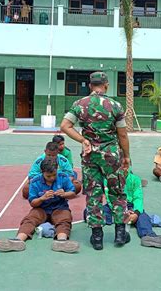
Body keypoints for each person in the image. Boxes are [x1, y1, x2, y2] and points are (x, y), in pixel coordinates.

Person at [60, 71, 131, 250]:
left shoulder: (80, 104)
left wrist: (83, 140)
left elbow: (65, 126)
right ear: (106, 85)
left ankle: (97, 237)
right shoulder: (115, 105)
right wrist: (127, 156)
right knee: (117, 192)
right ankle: (120, 234)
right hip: (111, 156)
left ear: (90, 86)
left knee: (93, 194)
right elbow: (122, 134)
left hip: (90, 155)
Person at [0, 157, 79, 253]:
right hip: (41, 208)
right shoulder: (35, 181)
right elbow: (33, 203)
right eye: (48, 176)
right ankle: (18, 240)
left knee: (64, 219)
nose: (52, 178)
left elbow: (72, 193)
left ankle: (61, 241)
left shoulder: (63, 177)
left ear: (57, 170)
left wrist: (65, 194)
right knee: (30, 219)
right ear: (42, 172)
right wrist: (42, 198)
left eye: (54, 175)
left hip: (59, 207)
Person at [98, 167, 161, 248]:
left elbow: (138, 198)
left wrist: (136, 213)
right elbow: (109, 197)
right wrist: (121, 212)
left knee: (142, 216)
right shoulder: (108, 179)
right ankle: (117, 219)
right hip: (113, 205)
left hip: (131, 206)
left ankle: (149, 235)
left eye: (126, 165)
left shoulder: (135, 179)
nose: (123, 168)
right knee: (93, 212)